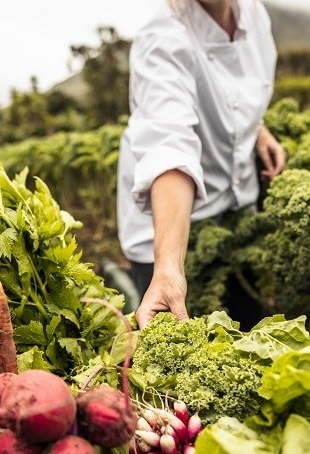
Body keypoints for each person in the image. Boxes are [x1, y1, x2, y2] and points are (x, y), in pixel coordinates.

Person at [116, 0, 286, 329]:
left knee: (248, 324)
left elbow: (235, 91)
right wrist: (167, 268)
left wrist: (257, 129)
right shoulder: (162, 37)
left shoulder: (253, 14)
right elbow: (169, 146)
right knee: (182, 355)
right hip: (169, 224)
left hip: (235, 208)